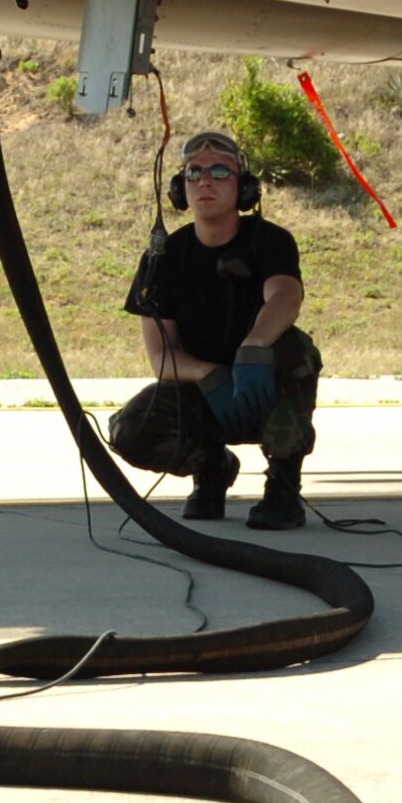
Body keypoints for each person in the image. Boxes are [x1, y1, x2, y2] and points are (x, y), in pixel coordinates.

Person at [108, 130, 320, 530]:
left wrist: (254, 346)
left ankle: (283, 484)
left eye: (220, 171)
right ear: (179, 188)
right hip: (206, 393)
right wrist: (207, 374)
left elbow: (286, 297)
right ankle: (212, 468)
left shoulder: (271, 241)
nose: (205, 180)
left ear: (243, 187)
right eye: (194, 173)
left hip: (263, 384)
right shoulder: (163, 258)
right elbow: (160, 357)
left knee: (295, 350)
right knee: (131, 428)